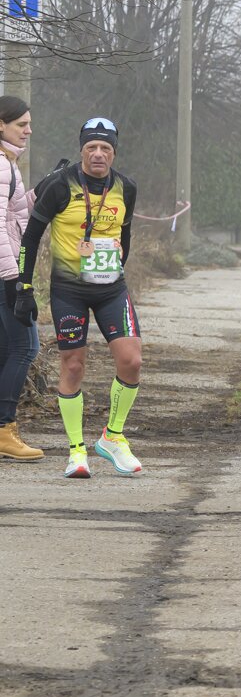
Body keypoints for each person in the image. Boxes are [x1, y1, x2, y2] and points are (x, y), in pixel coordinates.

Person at [14, 117, 145, 477]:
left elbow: (126, 234)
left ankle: (112, 437)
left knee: (132, 361)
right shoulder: (61, 184)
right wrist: (24, 287)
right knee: (73, 365)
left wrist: (116, 261)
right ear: (82, 150)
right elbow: (30, 237)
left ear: (114, 152)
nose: (98, 154)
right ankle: (76, 451)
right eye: (91, 147)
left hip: (111, 289)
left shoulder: (126, 188)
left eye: (105, 148)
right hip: (68, 289)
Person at [0, 96, 43, 462]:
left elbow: (14, 214)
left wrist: (41, 192)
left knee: (6, 349)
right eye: (21, 124)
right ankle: (4, 429)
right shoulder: (1, 165)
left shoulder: (8, 163)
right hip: (5, 271)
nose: (28, 130)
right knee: (26, 346)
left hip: (6, 269)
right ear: (1, 124)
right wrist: (14, 279)